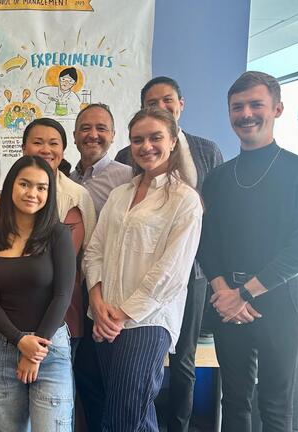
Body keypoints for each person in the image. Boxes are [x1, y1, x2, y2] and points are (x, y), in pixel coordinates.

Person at [199, 71, 298, 432]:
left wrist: (242, 294)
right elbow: (207, 242)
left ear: (278, 108)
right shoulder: (220, 177)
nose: (246, 113)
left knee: (275, 403)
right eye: (237, 107)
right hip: (227, 300)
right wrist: (224, 291)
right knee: (234, 399)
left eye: (256, 104)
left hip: (280, 299)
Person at [83, 107, 202, 432]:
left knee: (123, 417)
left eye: (155, 137)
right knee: (131, 413)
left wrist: (119, 314)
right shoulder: (120, 194)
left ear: (174, 141)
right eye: (138, 139)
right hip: (104, 317)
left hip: (147, 322)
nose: (146, 146)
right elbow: (94, 252)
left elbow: (170, 274)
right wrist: (97, 303)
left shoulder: (184, 200)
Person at [115, 76, 223, 432]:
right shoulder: (125, 161)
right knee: (134, 381)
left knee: (184, 362)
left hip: (191, 273)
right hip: (134, 280)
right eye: (152, 102)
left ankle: (178, 426)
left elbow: (213, 216)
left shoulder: (208, 150)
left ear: (181, 104)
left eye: (167, 101)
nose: (160, 107)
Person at [0, 155, 77, 431]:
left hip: (50, 348)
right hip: (3, 347)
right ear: (11, 186)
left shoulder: (58, 235)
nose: (32, 193)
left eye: (41, 187)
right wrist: (19, 340)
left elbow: (63, 296)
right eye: (25, 184)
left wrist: (34, 350)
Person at [69, 102, 132, 432]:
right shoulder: (67, 177)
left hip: (110, 292)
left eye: (101, 128)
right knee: (85, 377)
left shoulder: (126, 178)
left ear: (113, 135)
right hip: (73, 290)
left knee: (112, 383)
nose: (93, 135)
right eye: (85, 129)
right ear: (75, 135)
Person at [21, 117, 95, 356]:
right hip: (17, 308)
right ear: (24, 148)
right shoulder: (9, 194)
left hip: (64, 305)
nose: (46, 149)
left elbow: (89, 252)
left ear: (63, 151)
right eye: (37, 142)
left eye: (53, 143)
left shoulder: (77, 196)